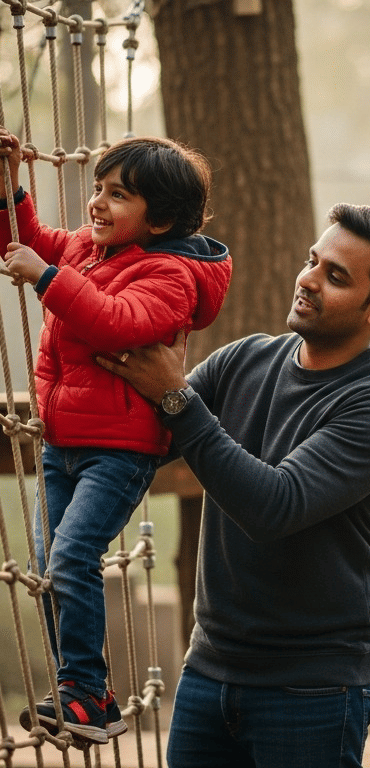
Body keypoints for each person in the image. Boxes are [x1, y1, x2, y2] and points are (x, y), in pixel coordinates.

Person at [95, 202, 370, 768]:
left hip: (312, 689)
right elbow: (145, 438)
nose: (308, 279)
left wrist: (176, 397)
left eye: (336, 275)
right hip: (207, 671)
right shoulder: (244, 361)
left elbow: (274, 505)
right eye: (313, 261)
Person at [0, 128, 232, 744]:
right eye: (98, 189)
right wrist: (9, 189)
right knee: (52, 562)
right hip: (61, 440)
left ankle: (82, 688)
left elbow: (117, 323)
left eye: (118, 195)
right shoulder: (89, 251)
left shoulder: (172, 273)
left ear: (159, 219)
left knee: (74, 553)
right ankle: (88, 696)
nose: (97, 203)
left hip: (118, 449)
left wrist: (47, 278)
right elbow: (28, 242)